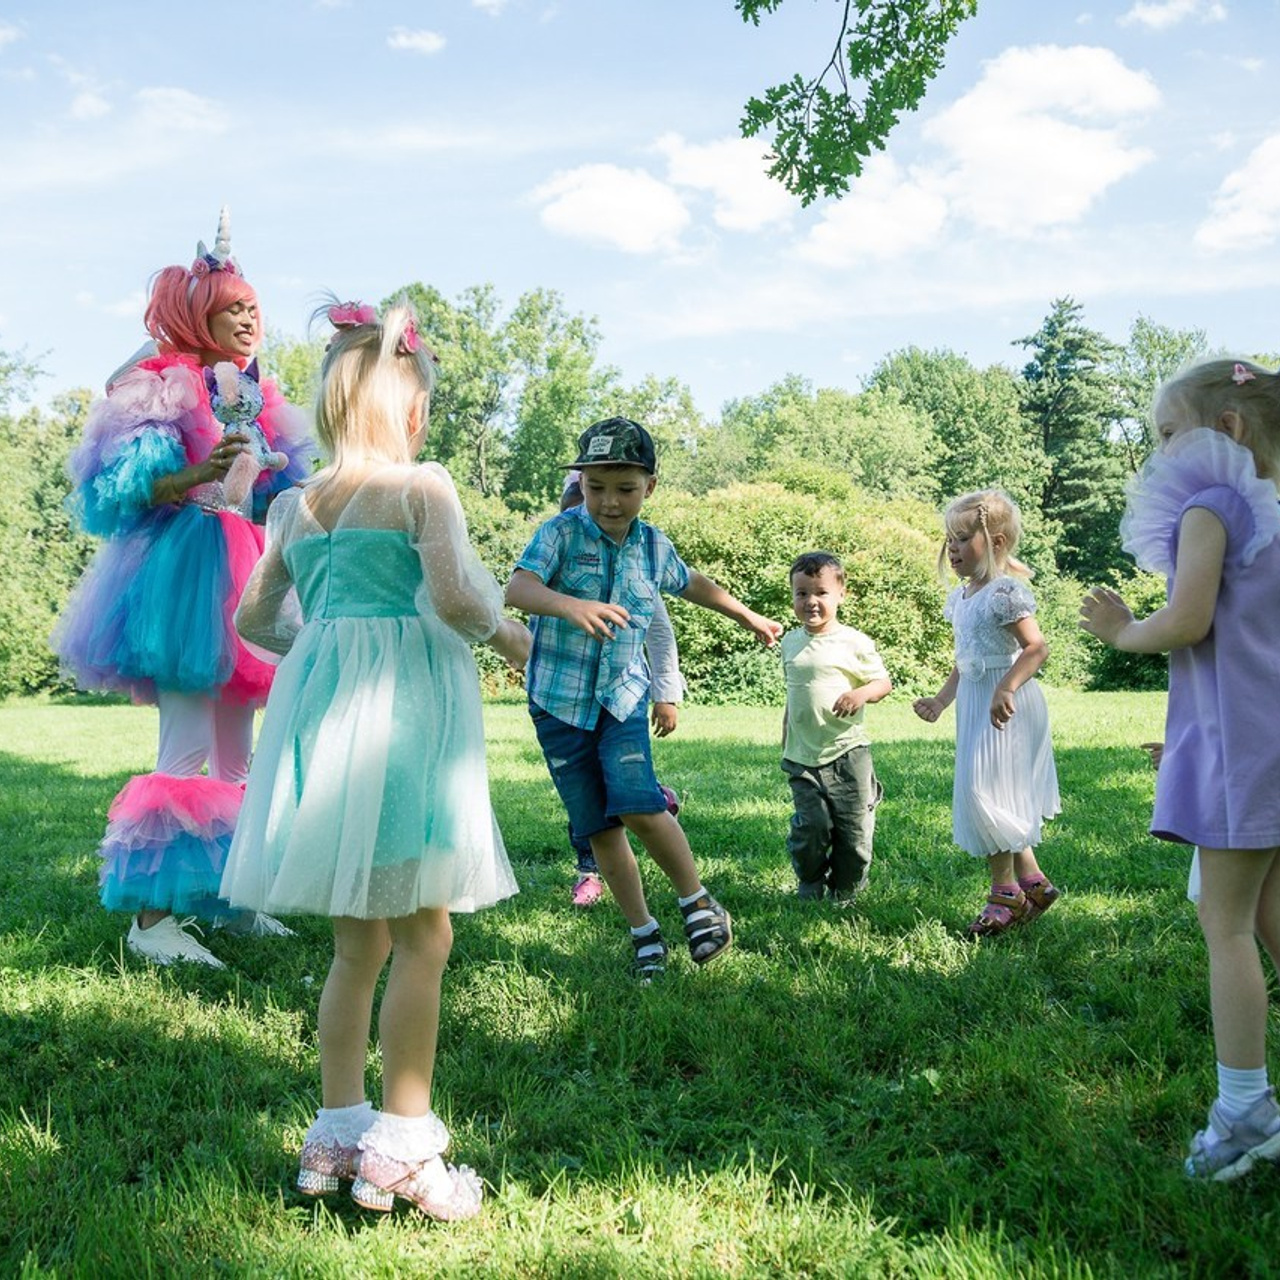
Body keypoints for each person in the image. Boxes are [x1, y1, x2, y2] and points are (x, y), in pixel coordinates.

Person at [221, 298, 530, 1220]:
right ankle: (403, 1146)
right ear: (407, 409)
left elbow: (252, 621)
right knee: (426, 932)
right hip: (401, 717)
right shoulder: (421, 487)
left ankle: (336, 1130)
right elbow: (458, 597)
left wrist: (323, 649)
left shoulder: (293, 504)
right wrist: (516, 639)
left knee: (357, 942)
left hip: (324, 708)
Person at [52, 209, 313, 968]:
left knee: (243, 756)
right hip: (182, 576)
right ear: (199, 311)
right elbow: (121, 493)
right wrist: (200, 473)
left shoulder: (252, 391)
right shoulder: (163, 385)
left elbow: (280, 490)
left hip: (246, 567)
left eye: (255, 309)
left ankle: (232, 898)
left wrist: (262, 475)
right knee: (190, 745)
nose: (250, 320)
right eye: (236, 308)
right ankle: (151, 923)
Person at [1080, 358, 1280, 1181]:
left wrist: (1123, 630)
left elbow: (1191, 621)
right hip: (1262, 742)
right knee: (1268, 915)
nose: (1160, 454)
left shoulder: (1212, 503)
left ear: (1226, 430)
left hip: (1245, 755)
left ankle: (1244, 1112)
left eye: (1167, 434)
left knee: (1225, 925)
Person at [506, 417, 782, 978]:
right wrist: (569, 606)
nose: (610, 501)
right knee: (597, 826)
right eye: (596, 486)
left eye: (625, 488)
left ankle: (697, 903)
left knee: (636, 800)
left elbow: (692, 583)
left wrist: (749, 615)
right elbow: (518, 588)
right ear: (580, 482)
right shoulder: (558, 534)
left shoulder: (654, 545)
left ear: (649, 487)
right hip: (558, 702)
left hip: (622, 697)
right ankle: (643, 932)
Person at [912, 489, 1061, 936]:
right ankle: (1033, 882)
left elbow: (1036, 648)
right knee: (990, 792)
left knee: (987, 793)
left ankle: (1005, 893)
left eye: (961, 539)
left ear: (995, 542)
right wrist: (941, 700)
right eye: (948, 539)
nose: (950, 549)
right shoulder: (962, 598)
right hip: (979, 700)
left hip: (1008, 704)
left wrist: (1006, 686)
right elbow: (966, 659)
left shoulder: (1004, 592)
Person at [557, 469, 684, 908]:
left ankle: (650, 796)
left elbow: (660, 634)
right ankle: (588, 870)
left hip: (617, 699)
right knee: (585, 801)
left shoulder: (639, 566)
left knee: (622, 791)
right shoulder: (558, 556)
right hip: (567, 704)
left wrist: (666, 693)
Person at [781, 551, 892, 902]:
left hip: (848, 752)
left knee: (854, 830)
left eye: (821, 593)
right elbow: (794, 696)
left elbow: (883, 683)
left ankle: (846, 889)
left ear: (841, 594)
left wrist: (859, 694)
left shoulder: (853, 642)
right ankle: (811, 882)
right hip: (802, 755)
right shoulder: (790, 642)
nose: (811, 601)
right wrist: (786, 739)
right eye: (802, 593)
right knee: (810, 828)